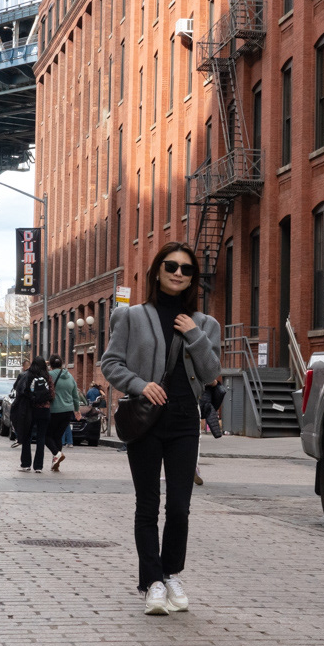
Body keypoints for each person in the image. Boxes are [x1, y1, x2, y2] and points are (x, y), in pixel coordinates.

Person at [98, 241, 221, 616]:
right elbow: (111, 363)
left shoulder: (206, 324)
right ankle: (151, 582)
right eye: (171, 266)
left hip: (185, 421)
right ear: (157, 270)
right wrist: (139, 384)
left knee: (180, 508)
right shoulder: (132, 317)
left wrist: (195, 335)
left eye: (186, 269)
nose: (179, 273)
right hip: (147, 421)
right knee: (148, 505)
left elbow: (212, 373)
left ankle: (170, 574)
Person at [12, 355, 54, 472]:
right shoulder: (47, 377)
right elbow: (52, 394)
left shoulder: (28, 375)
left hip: (30, 410)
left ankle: (26, 464)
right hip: (44, 410)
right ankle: (38, 467)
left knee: (27, 436)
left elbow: (21, 392)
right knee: (41, 438)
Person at [45, 354, 81, 471]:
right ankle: (56, 464)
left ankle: (57, 454)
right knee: (58, 437)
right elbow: (76, 396)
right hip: (68, 411)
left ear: (50, 364)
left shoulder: (49, 375)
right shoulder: (70, 377)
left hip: (54, 410)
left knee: (46, 436)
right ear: (62, 364)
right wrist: (77, 410)